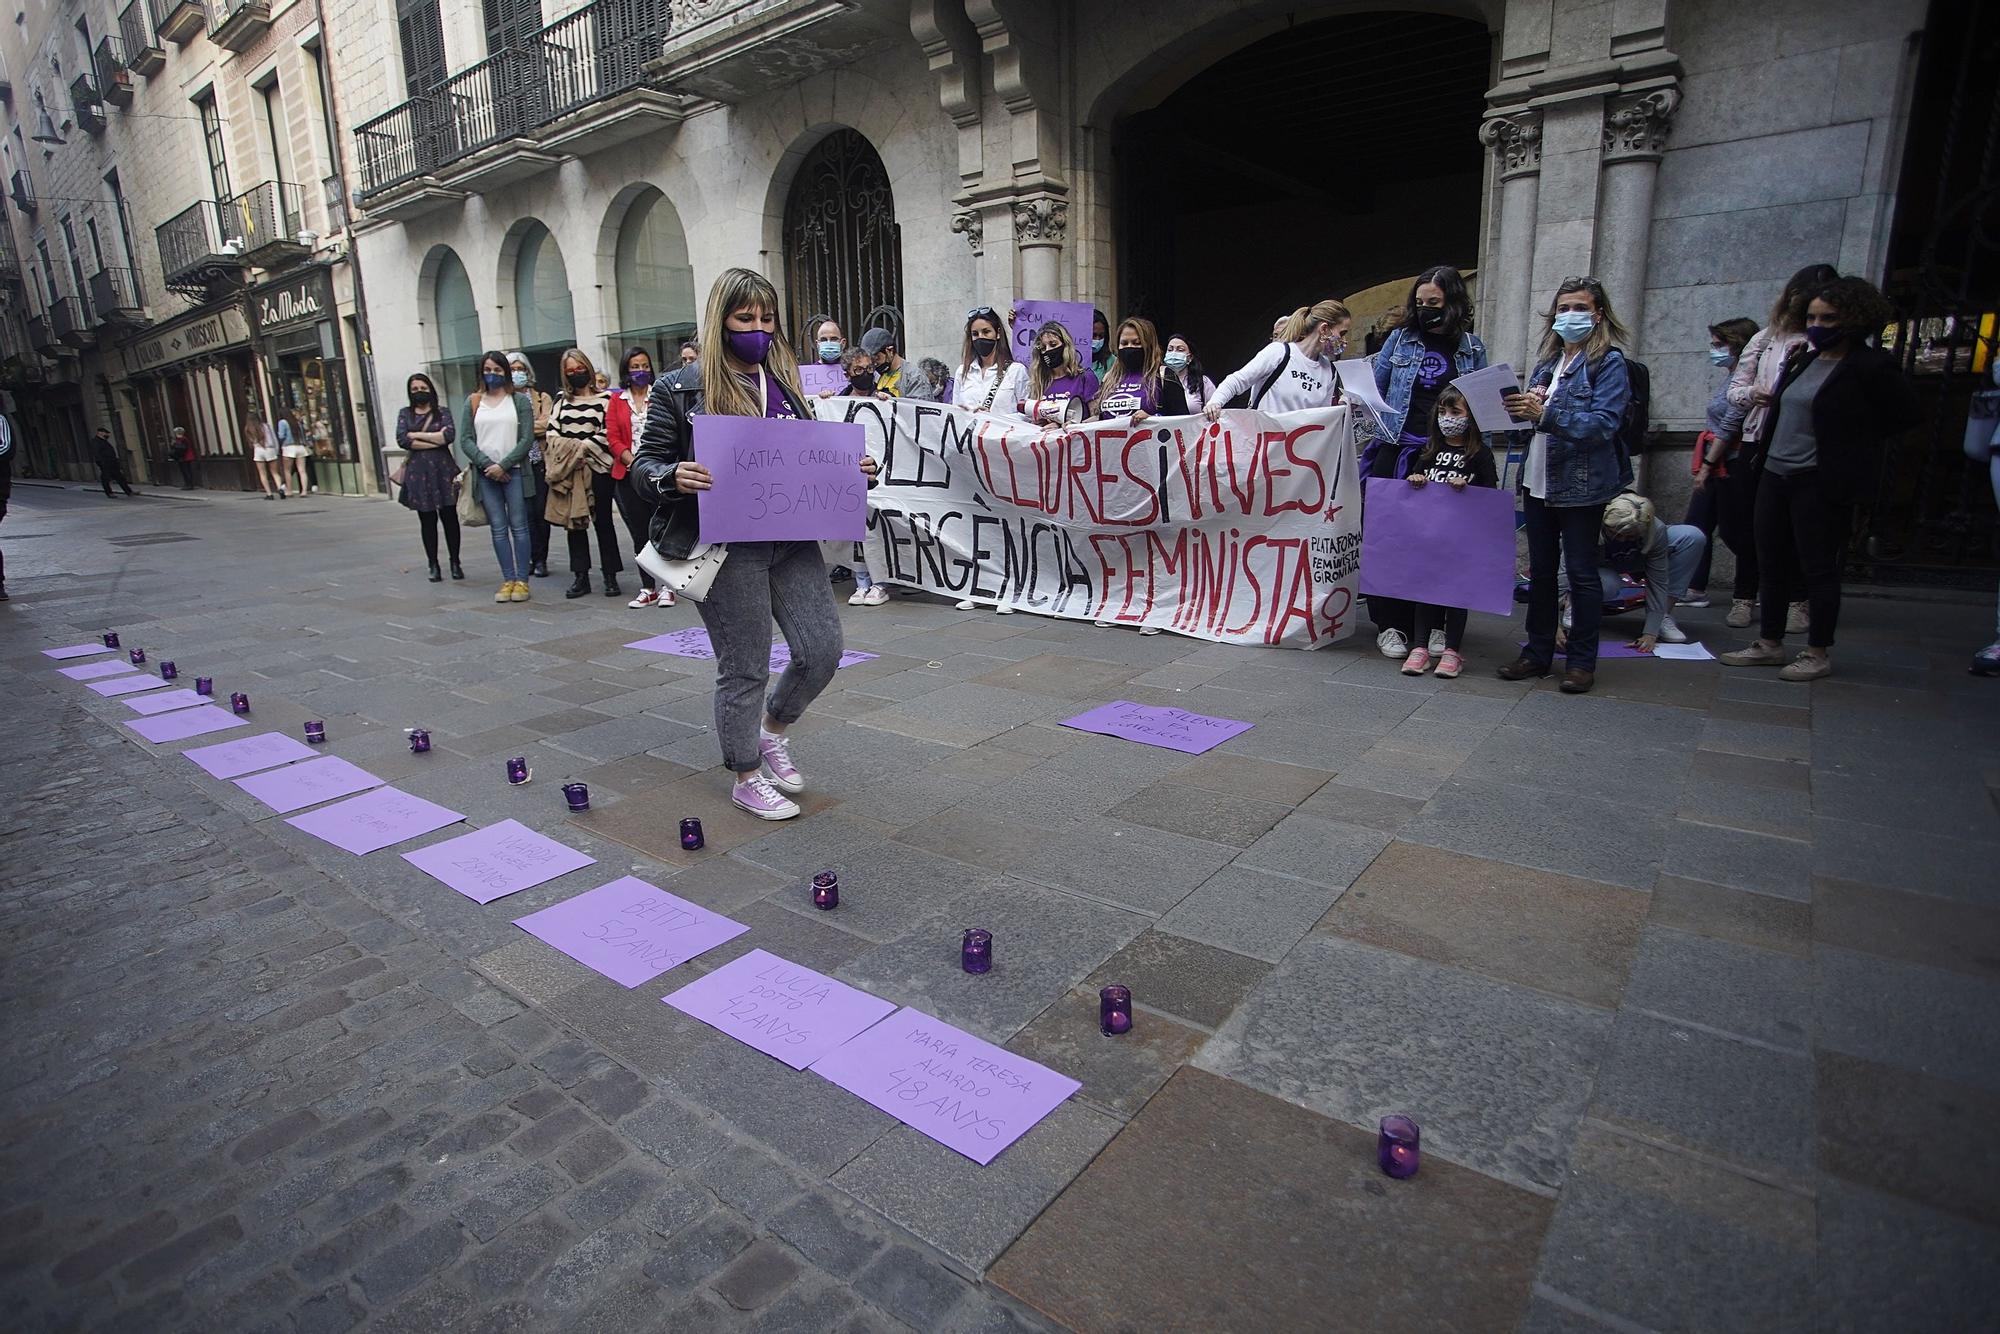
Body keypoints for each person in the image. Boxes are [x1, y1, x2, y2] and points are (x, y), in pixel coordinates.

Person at [630, 266, 879, 821]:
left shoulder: (783, 385)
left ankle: (773, 731)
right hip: (727, 548)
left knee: (821, 650)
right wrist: (672, 476)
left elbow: (808, 457)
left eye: (768, 318)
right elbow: (642, 468)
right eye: (746, 317)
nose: (759, 328)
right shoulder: (679, 388)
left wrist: (854, 469)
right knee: (744, 664)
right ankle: (745, 773)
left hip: (790, 542)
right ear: (721, 321)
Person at [1719, 276, 1917, 682]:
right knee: (1769, 557)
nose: (1817, 325)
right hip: (1774, 470)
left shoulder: (1870, 365)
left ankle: (1816, 651)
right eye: (1812, 316)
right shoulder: (1802, 360)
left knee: (1817, 566)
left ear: (1854, 319)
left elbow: (1902, 416)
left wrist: (1849, 445)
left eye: (1828, 318)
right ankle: (1769, 643)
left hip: (1819, 479)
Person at [1497, 276, 1635, 694]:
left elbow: (1603, 425)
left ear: (1598, 315)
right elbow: (1534, 420)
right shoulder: (1547, 365)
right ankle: (1537, 654)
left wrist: (1544, 415)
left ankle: (1580, 662)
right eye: (1562, 308)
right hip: (1538, 481)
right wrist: (1517, 415)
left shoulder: (1608, 363)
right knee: (1539, 573)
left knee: (1580, 573)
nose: (1569, 316)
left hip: (1581, 486)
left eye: (1578, 308)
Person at [1368, 267, 1491, 659]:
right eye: (1419, 304)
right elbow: (1375, 386)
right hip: (1398, 449)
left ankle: (1438, 625)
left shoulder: (1473, 348)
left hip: (1449, 455)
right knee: (1389, 540)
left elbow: (1483, 404)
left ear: (1453, 303)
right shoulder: (1400, 340)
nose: (1425, 311)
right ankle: (1392, 625)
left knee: (1443, 541)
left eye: (1434, 304)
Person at [1724, 263, 1839, 630]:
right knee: (1749, 526)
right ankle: (1745, 596)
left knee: (1797, 531)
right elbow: (1735, 391)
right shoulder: (1766, 339)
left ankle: (1798, 601)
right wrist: (1752, 394)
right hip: (1757, 440)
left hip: (1803, 445)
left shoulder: (1824, 346)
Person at [1397, 386, 1495, 679]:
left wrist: (1468, 487)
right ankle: (1421, 647)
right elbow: (1412, 482)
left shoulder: (1479, 454)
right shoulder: (1429, 451)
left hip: (1462, 539)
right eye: (1443, 412)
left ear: (1470, 417)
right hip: (1430, 537)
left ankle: (1452, 649)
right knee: (1425, 591)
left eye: (1455, 412)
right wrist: (1414, 479)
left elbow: (1490, 494)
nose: (1447, 418)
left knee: (1456, 594)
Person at [1682, 317, 1760, 607]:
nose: (1713, 350)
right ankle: (1694, 586)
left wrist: (1706, 466)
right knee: (1696, 525)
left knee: (1735, 530)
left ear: (1737, 345)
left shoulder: (1746, 381)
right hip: (1717, 459)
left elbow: (1730, 424)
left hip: (1731, 462)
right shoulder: (1731, 377)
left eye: (1719, 345)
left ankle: (1750, 590)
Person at [543, 348, 622, 600]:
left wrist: (581, 450)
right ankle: (581, 577)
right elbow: (552, 432)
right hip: (571, 471)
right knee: (574, 524)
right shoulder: (561, 401)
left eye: (580, 368)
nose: (576, 373)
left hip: (598, 467)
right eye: (571, 370)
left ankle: (610, 575)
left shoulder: (607, 399)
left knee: (604, 522)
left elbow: (607, 432)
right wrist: (571, 455)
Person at [459, 349, 537, 603]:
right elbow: (466, 439)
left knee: (520, 526)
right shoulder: (473, 401)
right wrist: (487, 465)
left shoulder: (519, 402)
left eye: (497, 370)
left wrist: (504, 465)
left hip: (514, 472)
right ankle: (508, 579)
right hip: (486, 475)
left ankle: (523, 581)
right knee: (498, 529)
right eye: (488, 370)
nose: (492, 374)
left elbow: (526, 439)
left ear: (505, 371)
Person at [1591, 493, 1704, 650]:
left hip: (1639, 556)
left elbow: (1658, 580)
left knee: (1692, 536)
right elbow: (1564, 569)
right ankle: (1575, 605)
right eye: (1617, 535)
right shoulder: (1591, 522)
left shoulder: (1654, 528)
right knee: (1608, 585)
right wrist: (1554, 625)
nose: (1622, 540)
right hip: (1601, 566)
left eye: (1629, 536)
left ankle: (1662, 615)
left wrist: (1651, 633)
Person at [1205, 299, 1346, 419]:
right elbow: (1237, 381)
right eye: (1342, 333)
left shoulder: (1329, 371)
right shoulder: (1279, 352)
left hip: (1298, 448)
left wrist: (1342, 409)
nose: (1344, 340)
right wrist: (1215, 403)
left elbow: (1322, 417)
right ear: (1324, 329)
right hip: (1264, 444)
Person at [609, 345, 671, 609]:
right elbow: (612, 438)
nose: (641, 371)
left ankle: (670, 585)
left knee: (665, 529)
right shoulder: (616, 401)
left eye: (645, 366)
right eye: (635, 367)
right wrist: (635, 464)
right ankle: (648, 587)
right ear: (626, 370)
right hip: (628, 476)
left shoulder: (659, 395)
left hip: (660, 474)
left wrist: (651, 467)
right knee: (639, 532)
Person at [395, 373, 464, 582]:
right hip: (419, 473)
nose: (419, 392)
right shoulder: (405, 413)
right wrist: (435, 439)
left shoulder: (442, 412)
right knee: (427, 520)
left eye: (422, 388)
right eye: (414, 389)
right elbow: (402, 440)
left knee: (450, 518)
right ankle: (433, 563)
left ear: (430, 389)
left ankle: (455, 562)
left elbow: (449, 436)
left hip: (443, 471)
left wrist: (416, 435)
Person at [508, 352, 555, 579]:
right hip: (517, 465)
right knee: (523, 514)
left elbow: (548, 424)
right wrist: (530, 428)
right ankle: (526, 557)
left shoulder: (540, 398)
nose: (518, 373)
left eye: (521, 368)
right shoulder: (504, 399)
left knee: (540, 513)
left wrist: (521, 428)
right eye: (513, 369)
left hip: (539, 462)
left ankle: (541, 559)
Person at [953, 307, 1029, 418]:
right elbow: (954, 413)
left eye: (986, 332)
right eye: (975, 334)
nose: (980, 337)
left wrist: (994, 418)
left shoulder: (1016, 370)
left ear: (997, 333)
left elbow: (1028, 415)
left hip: (1003, 433)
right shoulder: (962, 371)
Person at [1024, 321, 1098, 426]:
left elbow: (1097, 418)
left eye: (1053, 344)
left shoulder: (1085, 378)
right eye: (1043, 348)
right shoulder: (1040, 383)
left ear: (1065, 346)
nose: (1048, 350)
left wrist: (1071, 425)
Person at [1093, 317, 1163, 421]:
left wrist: (1152, 419)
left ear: (1149, 345)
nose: (1129, 347)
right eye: (1124, 343)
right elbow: (1100, 418)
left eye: (1136, 343)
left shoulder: (1163, 375)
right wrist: (1073, 426)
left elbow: (1183, 420)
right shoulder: (1110, 377)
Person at [1161, 336, 1216, 414]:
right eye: (1170, 350)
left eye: (1180, 350)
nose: (1173, 353)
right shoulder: (1156, 381)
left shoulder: (1203, 382)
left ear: (1190, 357)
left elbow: (1215, 409)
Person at [859, 328, 906, 396]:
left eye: (877, 358)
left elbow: (918, 404)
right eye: (871, 359)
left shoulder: (912, 376)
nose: (874, 363)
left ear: (890, 351)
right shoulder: (878, 376)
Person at [92, 427, 136, 498]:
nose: (107, 434)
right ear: (100, 433)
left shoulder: (104, 441)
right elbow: (97, 453)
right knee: (106, 478)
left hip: (112, 462)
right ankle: (109, 493)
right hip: (105, 463)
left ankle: (129, 492)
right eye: (105, 433)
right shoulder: (96, 442)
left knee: (120, 477)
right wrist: (101, 463)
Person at [276, 409, 310, 498]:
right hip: (300, 447)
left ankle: (289, 490)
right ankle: (304, 491)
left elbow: (281, 435)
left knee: (287, 470)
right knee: (302, 470)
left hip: (289, 447)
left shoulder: (282, 422)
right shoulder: (297, 422)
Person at [247, 412, 280, 499]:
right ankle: (280, 489)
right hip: (270, 449)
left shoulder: (248, 429)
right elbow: (274, 438)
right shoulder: (266, 426)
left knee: (262, 473)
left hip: (258, 450)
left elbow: (251, 442)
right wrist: (276, 450)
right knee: (275, 472)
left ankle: (269, 493)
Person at [1089, 308, 1114, 383]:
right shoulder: (1071, 362)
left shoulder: (1112, 362)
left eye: (1101, 336)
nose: (1097, 339)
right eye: (1093, 335)